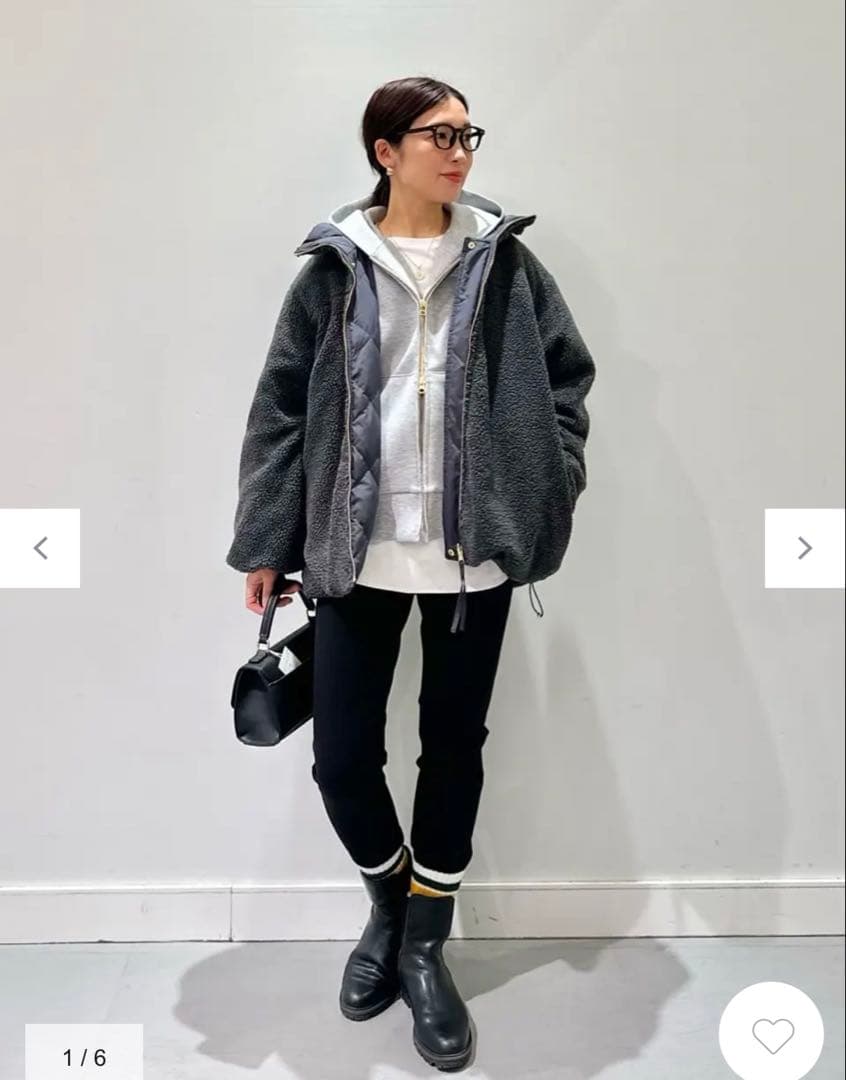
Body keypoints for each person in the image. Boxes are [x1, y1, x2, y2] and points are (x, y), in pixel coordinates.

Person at [226, 75, 595, 1072]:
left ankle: (425, 948)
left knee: (452, 750)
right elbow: (280, 411)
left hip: (475, 558)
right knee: (342, 756)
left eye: (468, 134)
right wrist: (267, 540)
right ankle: (392, 907)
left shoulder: (505, 263)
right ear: (385, 151)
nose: (460, 151)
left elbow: (568, 380)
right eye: (439, 135)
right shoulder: (334, 270)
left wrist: (548, 481)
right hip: (358, 555)